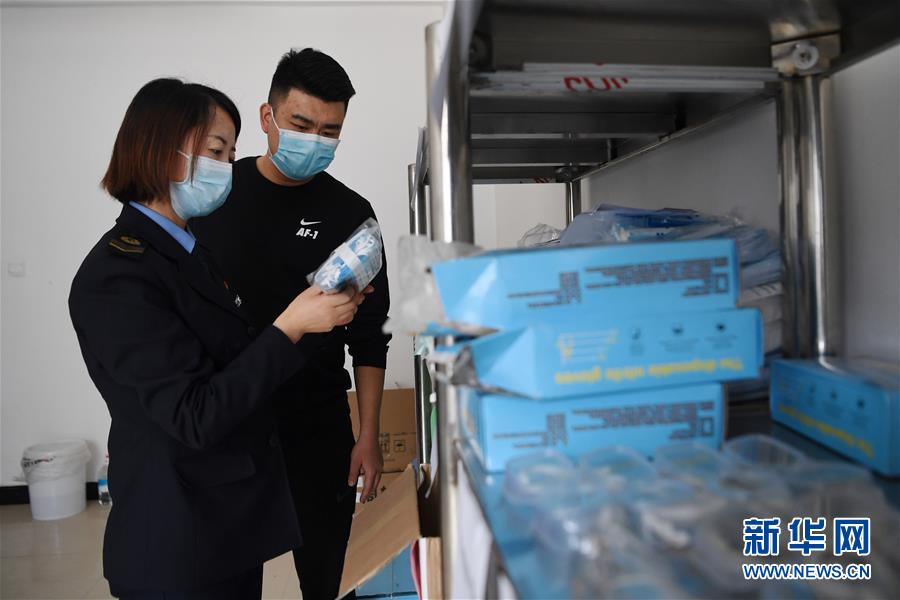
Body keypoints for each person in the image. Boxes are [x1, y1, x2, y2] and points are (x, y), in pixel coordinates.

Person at [68, 78, 368, 599]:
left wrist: (319, 314)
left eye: (230, 154)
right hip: (177, 537)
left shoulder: (190, 252)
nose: (227, 168)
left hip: (225, 526)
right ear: (163, 150)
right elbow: (195, 415)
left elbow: (237, 361)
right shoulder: (118, 276)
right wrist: (293, 324)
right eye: (215, 151)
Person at [192, 48, 391, 599]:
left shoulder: (352, 214)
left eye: (330, 132)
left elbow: (370, 336)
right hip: (228, 422)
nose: (314, 141)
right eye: (302, 125)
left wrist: (368, 436)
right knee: (228, 582)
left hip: (315, 423)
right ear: (267, 117)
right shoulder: (213, 196)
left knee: (332, 578)